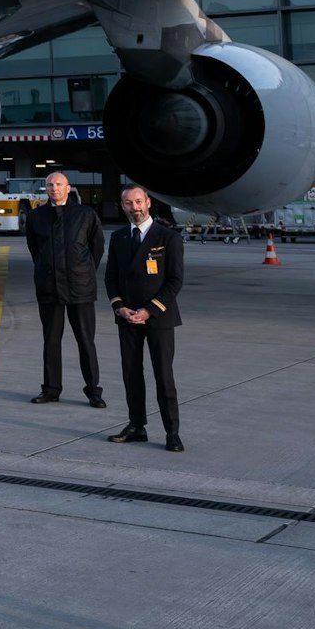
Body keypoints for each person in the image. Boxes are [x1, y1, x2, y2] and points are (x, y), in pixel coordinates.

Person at [106, 186, 185, 452]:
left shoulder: (169, 237)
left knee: (163, 376)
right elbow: (111, 278)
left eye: (138, 202)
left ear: (148, 202)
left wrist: (149, 310)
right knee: (131, 374)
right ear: (122, 205)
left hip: (159, 317)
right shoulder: (118, 238)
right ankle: (136, 426)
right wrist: (120, 308)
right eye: (128, 203)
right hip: (128, 318)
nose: (134, 207)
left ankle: (171, 431)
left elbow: (175, 280)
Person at [24, 171, 106, 407]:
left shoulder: (85, 214)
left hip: (80, 288)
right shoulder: (36, 216)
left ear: (68, 188)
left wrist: (83, 271)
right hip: (49, 288)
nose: (54, 188)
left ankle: (93, 391)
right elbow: (35, 250)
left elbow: (96, 248)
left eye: (59, 184)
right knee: (50, 341)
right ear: (45, 189)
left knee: (85, 341)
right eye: (50, 185)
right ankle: (51, 389)